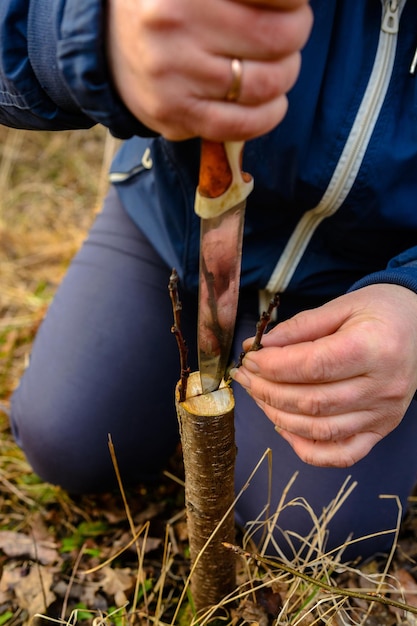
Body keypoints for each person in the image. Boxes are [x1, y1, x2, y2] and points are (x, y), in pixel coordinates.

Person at [2, 0, 417, 561]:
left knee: (312, 527)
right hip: (171, 227)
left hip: (363, 284)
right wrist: (94, 32)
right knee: (65, 441)